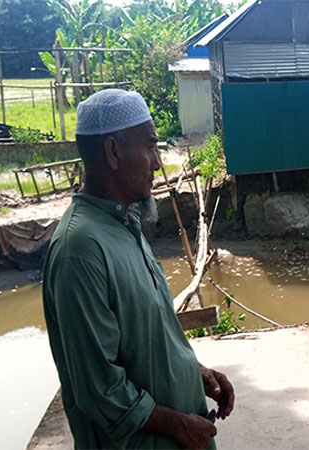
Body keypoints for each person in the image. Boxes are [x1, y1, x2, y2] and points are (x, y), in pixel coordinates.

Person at [42, 89, 234, 449]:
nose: (158, 162)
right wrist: (177, 425)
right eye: (149, 147)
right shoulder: (80, 250)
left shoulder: (124, 225)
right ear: (113, 152)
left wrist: (195, 373)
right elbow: (100, 388)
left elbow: (148, 335)